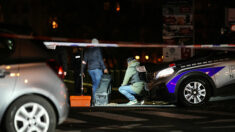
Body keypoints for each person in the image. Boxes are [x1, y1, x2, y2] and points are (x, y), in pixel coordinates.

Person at [82, 38, 108, 103]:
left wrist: (82, 71)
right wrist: (104, 68)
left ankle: (94, 99)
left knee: (94, 85)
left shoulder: (87, 50)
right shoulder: (97, 49)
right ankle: (99, 100)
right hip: (97, 69)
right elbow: (100, 59)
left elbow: (84, 61)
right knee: (99, 85)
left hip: (90, 70)